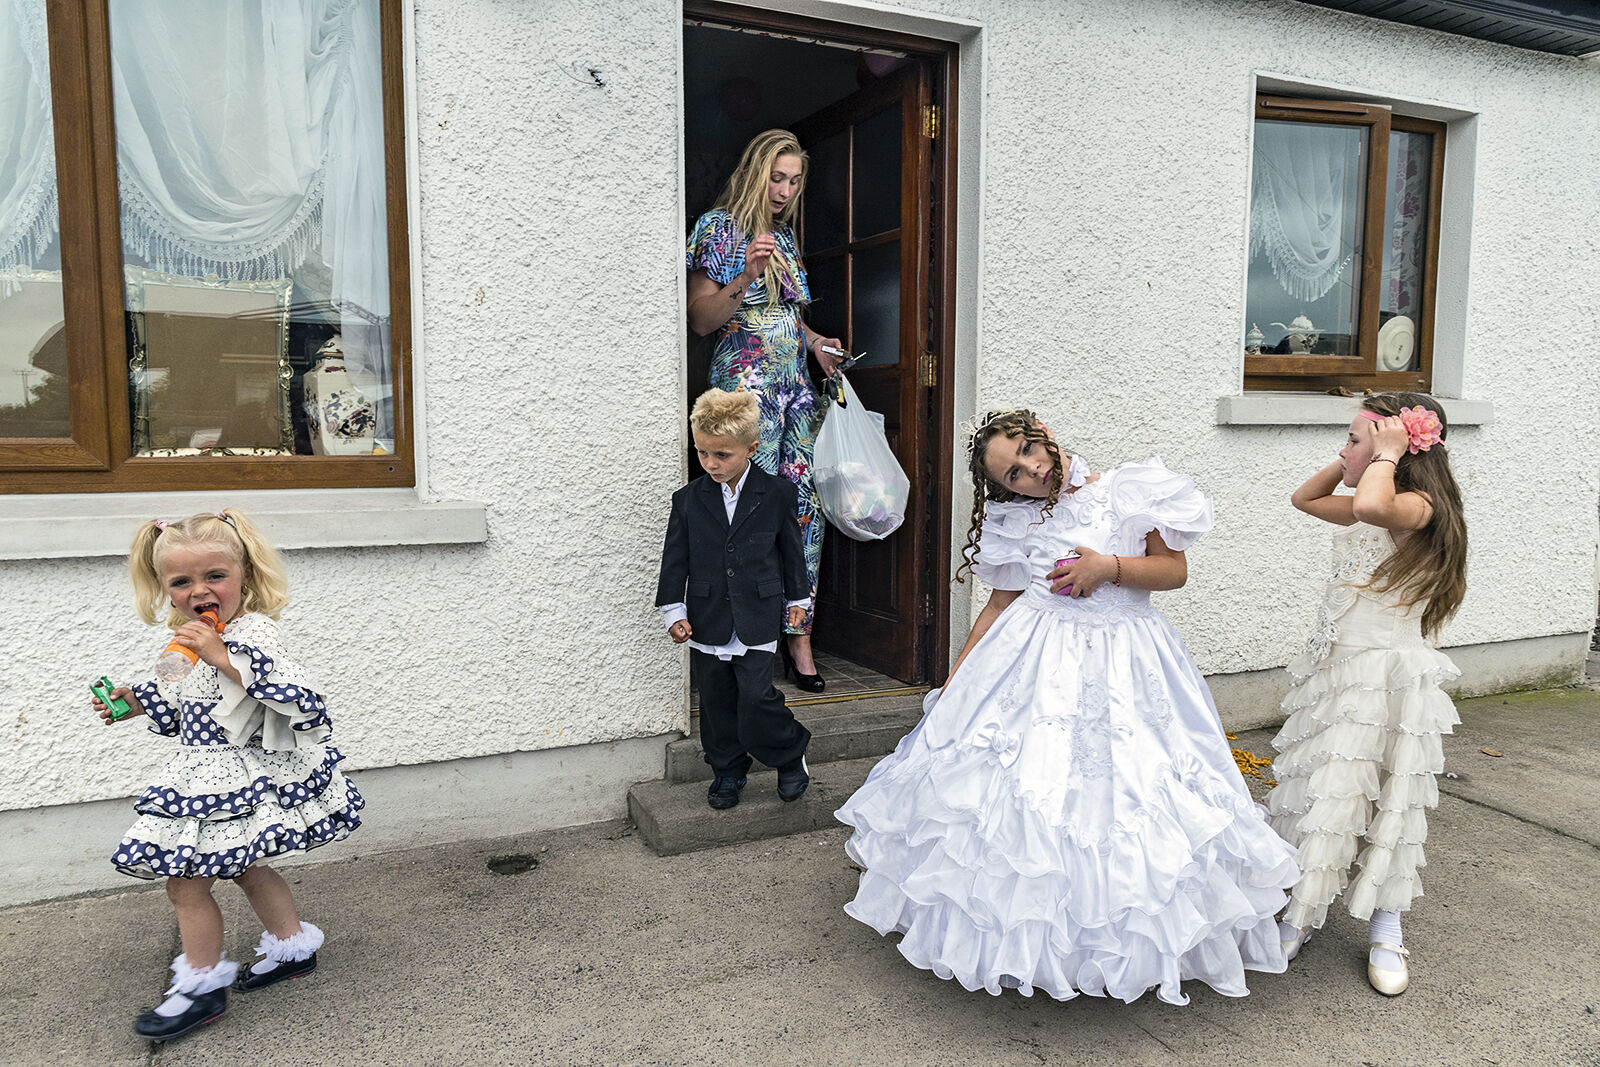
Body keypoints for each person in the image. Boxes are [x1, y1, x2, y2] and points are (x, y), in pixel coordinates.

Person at [835, 410, 1299, 1005]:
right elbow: (1000, 603)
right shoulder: (1016, 519)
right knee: (1021, 789)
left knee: (1132, 789)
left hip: (1125, 661)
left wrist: (1109, 567)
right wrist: (960, 677)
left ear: (1044, 433)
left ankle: (1125, 937)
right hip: (1033, 663)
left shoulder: (1130, 490)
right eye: (1013, 474)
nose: (1031, 470)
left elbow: (1173, 571)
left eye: (1028, 450)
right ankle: (1017, 934)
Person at [93, 509, 363, 1040]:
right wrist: (135, 702)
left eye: (215, 575)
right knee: (248, 868)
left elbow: (288, 692)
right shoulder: (187, 637)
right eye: (181, 581)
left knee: (185, 885)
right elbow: (183, 700)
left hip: (237, 775)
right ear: (165, 589)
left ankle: (201, 988)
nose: (200, 590)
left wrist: (220, 654)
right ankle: (292, 949)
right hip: (207, 776)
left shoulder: (255, 630)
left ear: (245, 575)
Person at [1268, 393, 1467, 996]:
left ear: (1397, 451)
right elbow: (1304, 499)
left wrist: (1383, 453)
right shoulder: (1368, 505)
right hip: (1341, 677)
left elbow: (1375, 502)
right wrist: (1352, 459)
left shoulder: (1415, 507)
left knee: (1391, 802)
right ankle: (1301, 912)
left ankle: (1386, 922)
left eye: (1353, 440)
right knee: (1329, 791)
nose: (1344, 449)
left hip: (1388, 682)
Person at [686, 128, 842, 692]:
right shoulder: (718, 228)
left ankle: (799, 638)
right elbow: (700, 318)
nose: (785, 191)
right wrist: (747, 274)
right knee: (746, 512)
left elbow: (788, 316)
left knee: (805, 512)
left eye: (794, 181)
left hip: (794, 393)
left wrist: (816, 343)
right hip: (743, 393)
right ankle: (747, 643)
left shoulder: (786, 238)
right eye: (777, 178)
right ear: (756, 172)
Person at [656, 389, 815, 809]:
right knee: (716, 701)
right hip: (706, 616)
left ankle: (789, 752)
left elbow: (791, 552)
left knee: (756, 697)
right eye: (702, 453)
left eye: (722, 455)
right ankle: (727, 769)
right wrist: (674, 610)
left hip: (757, 613)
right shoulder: (687, 500)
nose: (711, 463)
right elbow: (675, 559)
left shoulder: (777, 494)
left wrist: (798, 600)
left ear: (751, 449)